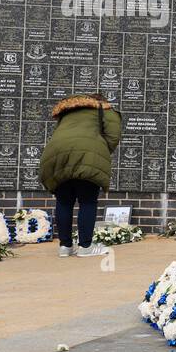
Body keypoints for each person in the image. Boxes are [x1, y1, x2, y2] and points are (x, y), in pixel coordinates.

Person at [38, 93, 122, 257]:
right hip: (87, 153)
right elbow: (113, 136)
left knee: (64, 201)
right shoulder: (106, 110)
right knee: (87, 200)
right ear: (102, 101)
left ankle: (65, 246)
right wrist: (99, 152)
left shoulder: (68, 112)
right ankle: (85, 247)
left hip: (56, 154)